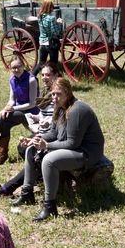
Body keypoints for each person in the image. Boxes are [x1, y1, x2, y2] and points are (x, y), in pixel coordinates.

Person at [13, 78, 105, 221]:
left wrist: (47, 146)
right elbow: (53, 133)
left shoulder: (76, 110)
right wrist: (35, 139)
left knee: (50, 160)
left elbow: (72, 143)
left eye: (58, 94)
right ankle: (27, 194)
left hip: (86, 153)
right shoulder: (60, 107)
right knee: (31, 149)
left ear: (67, 93)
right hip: (74, 148)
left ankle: (50, 206)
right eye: (53, 94)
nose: (54, 98)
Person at [0, 62, 61, 198]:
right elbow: (46, 112)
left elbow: (60, 118)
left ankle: (9, 187)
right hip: (46, 130)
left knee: (33, 153)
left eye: (48, 75)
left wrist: (45, 124)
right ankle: (38, 175)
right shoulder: (47, 90)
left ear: (56, 75)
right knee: (22, 148)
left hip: (56, 135)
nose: (45, 77)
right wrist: (37, 117)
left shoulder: (59, 91)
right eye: (43, 74)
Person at [0, 57, 39, 166]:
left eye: (18, 67)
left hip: (31, 113)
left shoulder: (31, 80)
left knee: (4, 117)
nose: (16, 70)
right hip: (18, 111)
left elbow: (33, 103)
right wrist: (6, 108)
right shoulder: (12, 79)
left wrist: (13, 109)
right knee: (4, 121)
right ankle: (2, 156)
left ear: (23, 66)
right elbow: (12, 100)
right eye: (13, 68)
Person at [31, 0, 63, 76]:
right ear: (49, 7)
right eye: (52, 6)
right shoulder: (51, 18)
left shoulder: (40, 17)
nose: (53, 8)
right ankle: (55, 81)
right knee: (53, 64)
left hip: (43, 42)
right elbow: (55, 32)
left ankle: (31, 77)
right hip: (51, 43)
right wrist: (59, 24)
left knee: (41, 62)